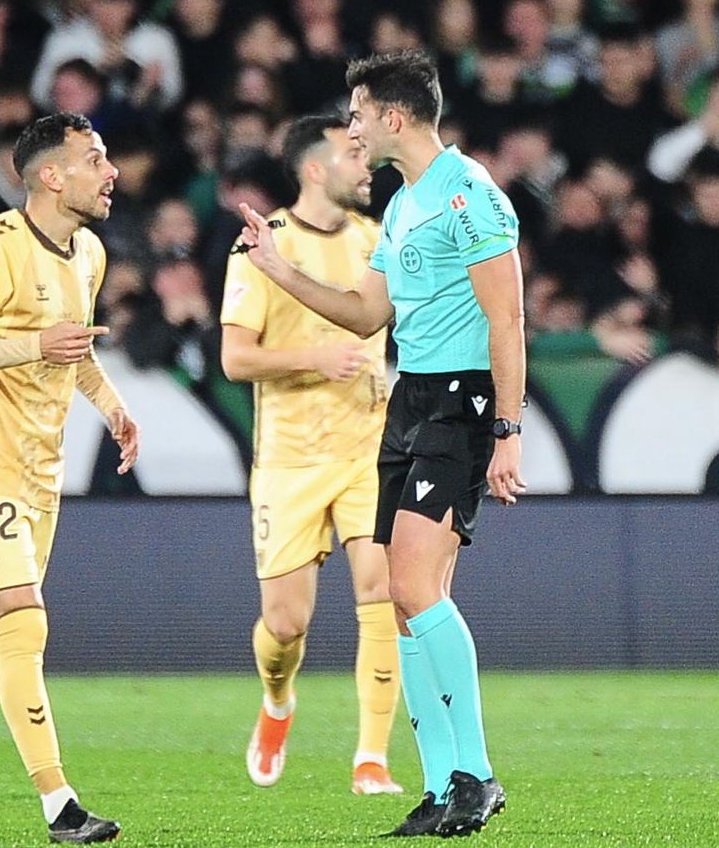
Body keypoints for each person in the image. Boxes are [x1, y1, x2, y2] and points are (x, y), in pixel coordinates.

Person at [235, 50, 524, 838]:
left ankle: (477, 775)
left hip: (461, 405)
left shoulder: (471, 197)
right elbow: (365, 315)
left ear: (394, 118)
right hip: (409, 402)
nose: (352, 127)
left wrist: (507, 429)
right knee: (403, 602)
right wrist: (277, 266)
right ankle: (440, 786)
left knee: (417, 589)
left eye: (358, 113)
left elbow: (507, 319)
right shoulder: (400, 207)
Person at [0, 113, 138, 844]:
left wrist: (112, 407)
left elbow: (72, 350)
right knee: (24, 618)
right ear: (52, 175)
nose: (112, 173)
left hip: (42, 473)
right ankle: (59, 804)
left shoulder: (89, 255)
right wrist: (30, 343)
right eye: (95, 159)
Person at [219, 113, 403, 796]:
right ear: (314, 169)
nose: (367, 168)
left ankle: (372, 758)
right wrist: (314, 357)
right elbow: (235, 358)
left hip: (367, 448)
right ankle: (277, 702)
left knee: (382, 592)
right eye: (353, 156)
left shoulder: (378, 239)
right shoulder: (263, 246)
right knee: (285, 624)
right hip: (290, 460)